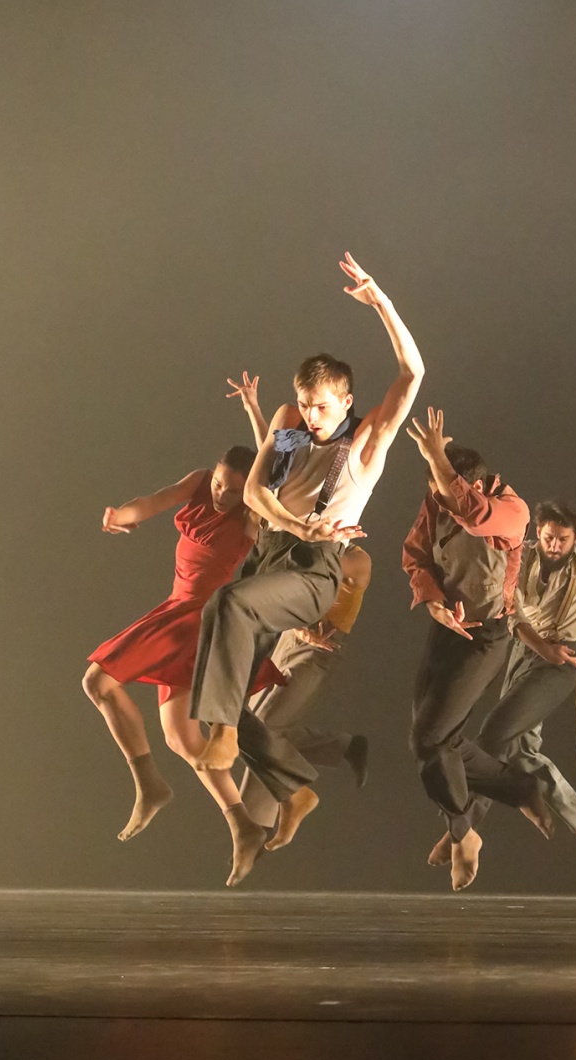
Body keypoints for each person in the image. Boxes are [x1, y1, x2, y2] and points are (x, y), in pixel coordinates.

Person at [188, 254, 424, 860]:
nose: (311, 415)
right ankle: (293, 790)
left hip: (314, 569)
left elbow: (413, 372)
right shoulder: (292, 428)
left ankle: (223, 737)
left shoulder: (366, 442)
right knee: (218, 641)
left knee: (231, 607)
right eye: (305, 403)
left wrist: (382, 303)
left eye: (322, 406)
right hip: (270, 555)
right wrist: (293, 519)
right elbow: (256, 490)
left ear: (345, 401)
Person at [83, 443, 283, 886]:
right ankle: (244, 824)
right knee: (180, 737)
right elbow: (153, 502)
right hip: (175, 608)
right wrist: (120, 514)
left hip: (197, 618)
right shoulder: (197, 483)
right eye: (219, 483)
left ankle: (150, 785)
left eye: (233, 490)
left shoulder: (250, 515)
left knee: (98, 681)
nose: (221, 494)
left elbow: (275, 508)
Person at [403, 408, 551, 891]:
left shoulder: (511, 509)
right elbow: (416, 555)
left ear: (476, 484)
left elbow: (473, 515)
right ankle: (520, 788)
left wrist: (438, 459)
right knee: (431, 739)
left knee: (430, 737)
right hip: (447, 629)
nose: (439, 503)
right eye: (435, 493)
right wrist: (434, 602)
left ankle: (464, 831)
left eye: (444, 492)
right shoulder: (437, 499)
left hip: (487, 637)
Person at [451, 501, 576, 862]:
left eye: (563, 539)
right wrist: (540, 647)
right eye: (549, 537)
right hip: (525, 653)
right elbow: (513, 612)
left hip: (564, 660)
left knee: (494, 735)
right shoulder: (521, 557)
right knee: (521, 751)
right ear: (539, 532)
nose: (555, 545)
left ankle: (464, 827)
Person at [237, 544, 374, 841]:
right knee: (253, 728)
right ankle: (342, 747)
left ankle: (256, 828)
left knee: (265, 727)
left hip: (319, 648)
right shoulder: (309, 547)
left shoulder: (357, 559)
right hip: (290, 638)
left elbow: (315, 572)